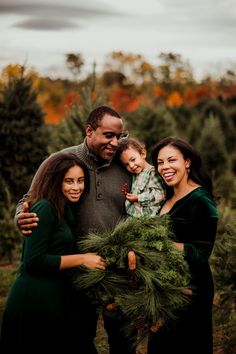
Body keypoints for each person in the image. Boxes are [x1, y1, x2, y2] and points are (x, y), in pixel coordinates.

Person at [14, 106, 135, 354]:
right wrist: (20, 217)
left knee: (124, 341)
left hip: (119, 270)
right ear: (89, 131)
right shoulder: (61, 162)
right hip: (76, 274)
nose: (115, 143)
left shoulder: (125, 165)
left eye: (119, 136)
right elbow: (30, 198)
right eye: (108, 135)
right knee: (79, 339)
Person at [0, 152, 106, 354]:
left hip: (54, 300)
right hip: (33, 302)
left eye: (81, 181)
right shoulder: (44, 208)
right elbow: (33, 261)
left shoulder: (64, 209)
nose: (76, 187)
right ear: (56, 181)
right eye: (69, 181)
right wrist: (82, 259)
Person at [148, 136, 218, 354]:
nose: (165, 167)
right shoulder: (167, 196)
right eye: (160, 162)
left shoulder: (201, 200)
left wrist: (159, 245)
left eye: (172, 160)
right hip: (165, 288)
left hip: (189, 289)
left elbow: (200, 252)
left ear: (187, 162)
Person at [117, 137, 166, 217]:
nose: (131, 166)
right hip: (133, 218)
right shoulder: (135, 175)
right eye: (126, 164)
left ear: (143, 154)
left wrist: (138, 198)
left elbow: (160, 195)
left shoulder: (152, 173)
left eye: (133, 160)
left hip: (147, 219)